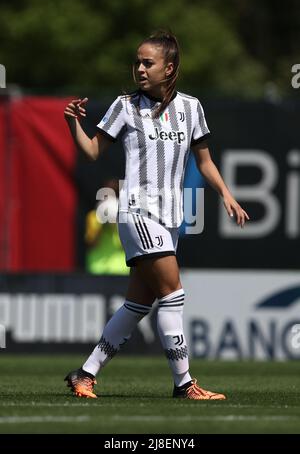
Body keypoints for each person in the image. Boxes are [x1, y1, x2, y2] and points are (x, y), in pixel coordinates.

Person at [63, 30, 249, 400]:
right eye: (138, 62)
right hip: (138, 212)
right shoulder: (124, 106)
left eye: (148, 63)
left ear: (170, 67)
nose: (140, 69)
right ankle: (184, 384)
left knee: (138, 304)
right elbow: (91, 153)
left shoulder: (192, 108)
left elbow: (205, 161)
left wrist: (227, 194)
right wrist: (73, 122)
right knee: (173, 294)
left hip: (170, 217)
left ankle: (84, 374)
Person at [85, 178, 129, 275]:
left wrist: (115, 225)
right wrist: (101, 225)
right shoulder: (93, 216)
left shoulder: (124, 218)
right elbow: (90, 244)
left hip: (120, 269)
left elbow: (125, 245)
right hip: (97, 268)